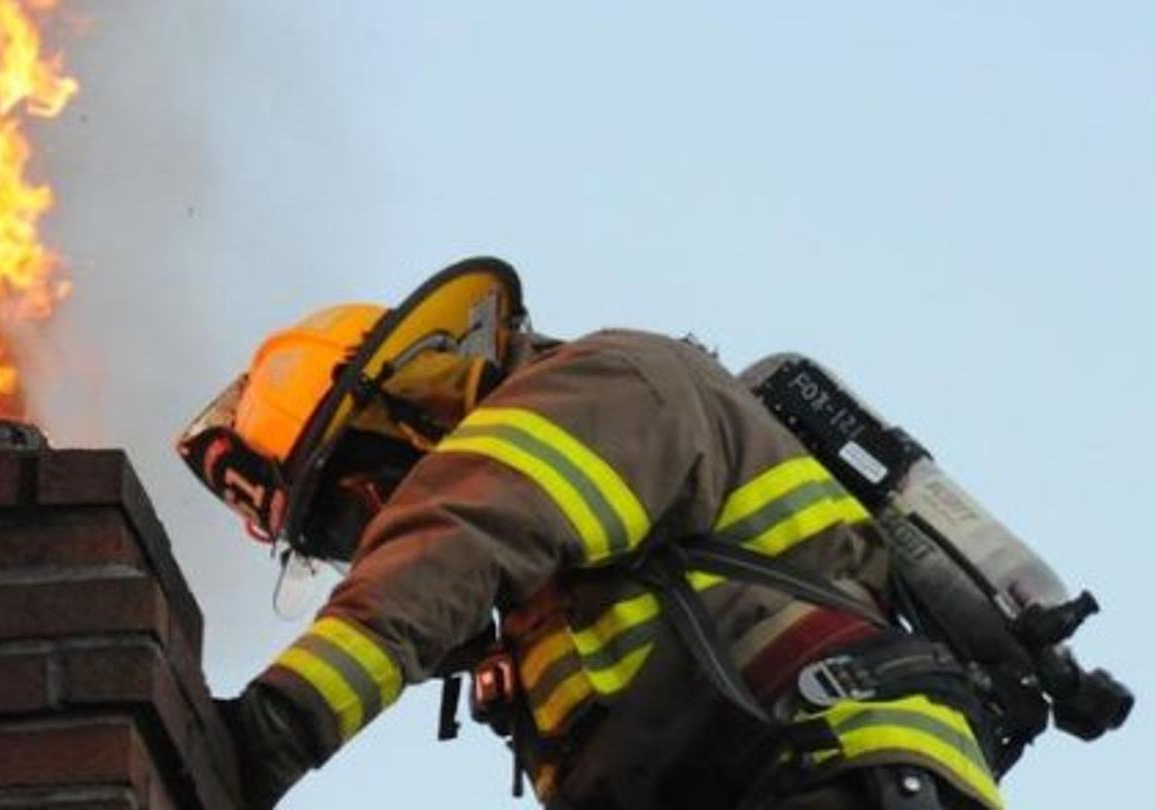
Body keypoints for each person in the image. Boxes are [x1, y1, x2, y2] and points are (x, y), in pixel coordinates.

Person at [175, 258, 1002, 809]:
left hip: (834, 771)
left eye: (348, 505)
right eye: (333, 532)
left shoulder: (600, 388)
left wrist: (271, 733)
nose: (367, 520)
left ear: (406, 395)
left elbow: (457, 536)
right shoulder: (546, 607)